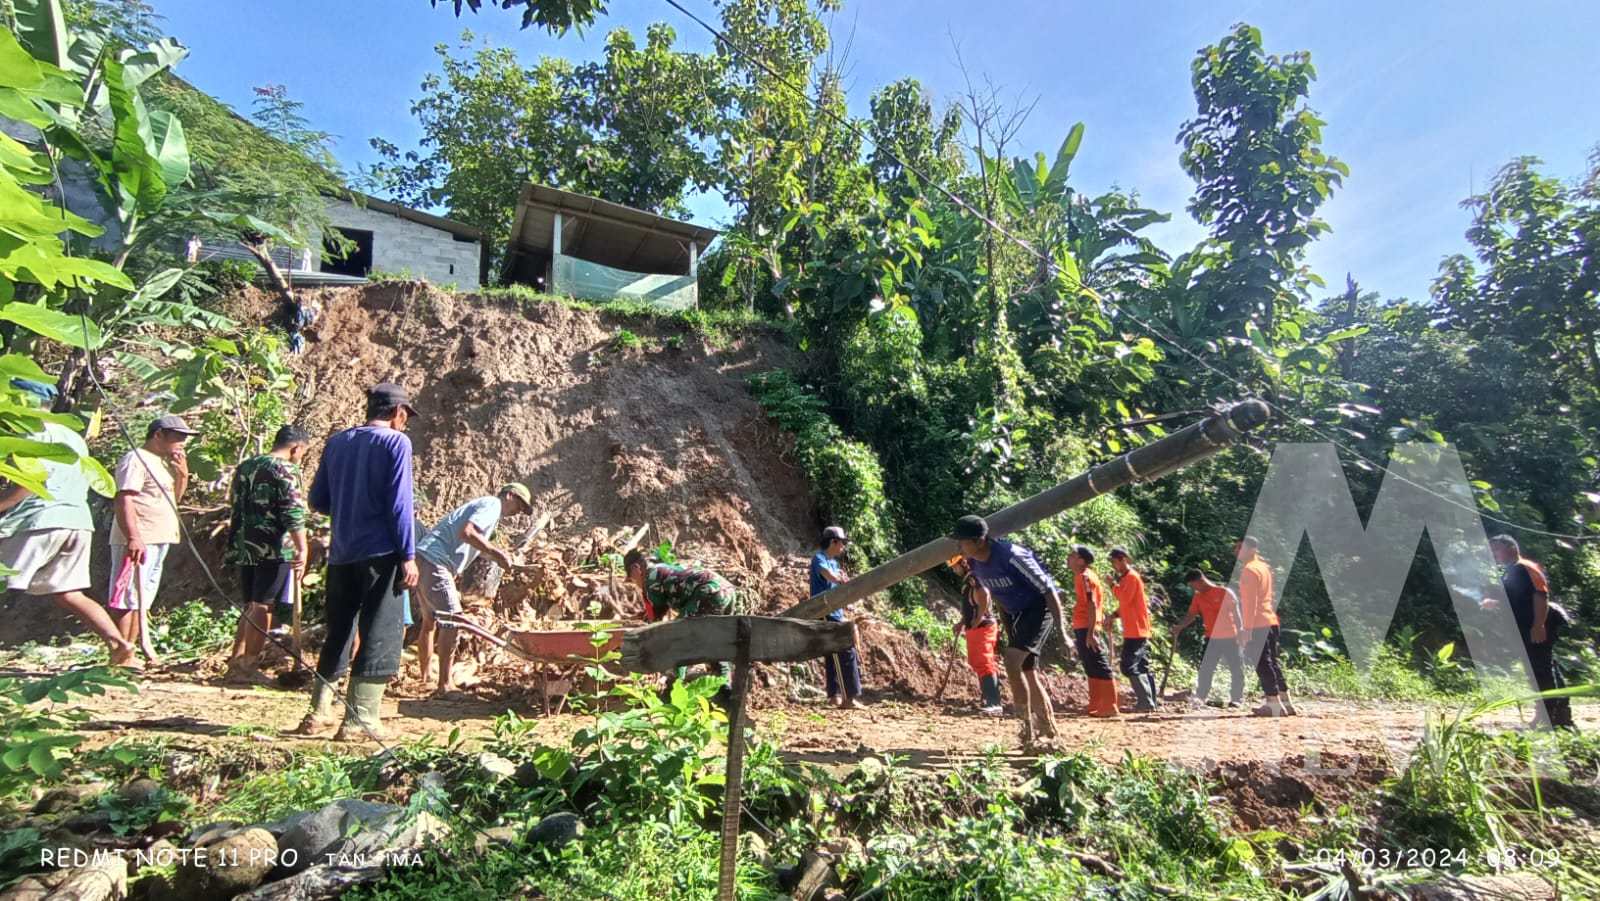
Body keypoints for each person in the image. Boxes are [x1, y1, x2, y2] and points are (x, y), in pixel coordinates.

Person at [295, 383, 420, 741]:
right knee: (381, 630)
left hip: (342, 553)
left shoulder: (337, 442)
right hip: (381, 553)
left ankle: (317, 713)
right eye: (405, 417)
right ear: (397, 413)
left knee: (340, 631)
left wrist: (351, 507)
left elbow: (318, 499)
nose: (405, 424)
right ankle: (360, 719)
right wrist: (408, 556)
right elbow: (399, 506)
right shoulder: (397, 443)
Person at [0, 380, 136, 667]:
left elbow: (32, 480)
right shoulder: (72, 437)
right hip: (77, 521)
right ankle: (119, 644)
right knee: (68, 592)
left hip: (39, 521)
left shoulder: (32, 434)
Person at [954, 514, 1065, 749]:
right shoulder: (974, 563)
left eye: (963, 542)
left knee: (1012, 661)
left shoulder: (1012, 556)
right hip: (1015, 614)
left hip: (1037, 608)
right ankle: (1048, 730)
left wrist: (1062, 632)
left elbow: (1048, 590)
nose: (960, 547)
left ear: (979, 541)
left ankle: (1026, 728)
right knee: (1028, 671)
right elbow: (997, 596)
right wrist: (1007, 627)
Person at [413, 483, 535, 696]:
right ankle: (444, 685)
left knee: (430, 621)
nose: (518, 512)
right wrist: (498, 554)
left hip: (425, 557)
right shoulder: (492, 505)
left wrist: (503, 558)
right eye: (520, 505)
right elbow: (467, 532)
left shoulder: (487, 510)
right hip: (436, 561)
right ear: (510, 495)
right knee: (454, 621)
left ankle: (425, 678)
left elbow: (474, 546)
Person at [108, 414, 197, 663]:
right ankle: (121, 656)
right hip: (139, 538)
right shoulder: (136, 460)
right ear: (158, 435)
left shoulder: (162, 463)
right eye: (178, 437)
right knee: (127, 596)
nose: (182, 443)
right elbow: (124, 497)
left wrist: (182, 475)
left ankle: (131, 651)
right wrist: (133, 537)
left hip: (159, 537)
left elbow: (172, 502)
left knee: (142, 597)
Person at [224, 425, 311, 678]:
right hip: (273, 547)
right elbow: (293, 512)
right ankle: (249, 665)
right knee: (264, 606)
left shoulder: (247, 466)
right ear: (296, 447)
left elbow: (235, 502)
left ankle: (236, 660)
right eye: (302, 452)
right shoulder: (286, 469)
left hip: (245, 543)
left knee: (251, 604)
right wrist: (302, 548)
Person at [1483, 535, 1574, 730]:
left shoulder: (1525, 567)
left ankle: (1547, 718)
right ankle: (1561, 715)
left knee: (1540, 671)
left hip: (1539, 626)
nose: (1494, 554)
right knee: (1546, 668)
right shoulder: (1510, 571)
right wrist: (1495, 603)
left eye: (1496, 550)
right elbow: (1518, 600)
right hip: (1527, 627)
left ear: (1511, 548)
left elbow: (1541, 594)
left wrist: (1539, 625)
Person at [1237, 536, 1295, 717]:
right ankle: (1286, 702)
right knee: (1273, 662)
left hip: (1257, 622)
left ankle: (1273, 703)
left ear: (1252, 549)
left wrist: (1246, 628)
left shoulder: (1249, 570)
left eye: (1240, 548)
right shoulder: (1264, 567)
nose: (1236, 552)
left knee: (1262, 662)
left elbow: (1249, 602)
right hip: (1270, 620)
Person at [810, 526, 866, 709]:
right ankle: (850, 698)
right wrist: (840, 579)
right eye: (842, 543)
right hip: (825, 612)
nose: (843, 547)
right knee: (845, 649)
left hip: (835, 612)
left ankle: (834, 696)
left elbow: (838, 580)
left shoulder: (834, 563)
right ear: (833, 542)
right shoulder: (819, 558)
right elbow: (828, 575)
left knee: (831, 654)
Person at [1174, 569, 1247, 708]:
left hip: (1230, 636)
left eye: (1193, 585)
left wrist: (1241, 630)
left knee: (1236, 668)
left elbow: (1236, 613)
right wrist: (1179, 627)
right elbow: (1191, 614)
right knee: (1206, 668)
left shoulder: (1224, 592)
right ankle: (1201, 697)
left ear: (1201, 581)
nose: (1193, 588)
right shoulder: (1198, 597)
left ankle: (1237, 698)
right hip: (1211, 637)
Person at [1068, 546, 1120, 717]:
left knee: (1099, 663)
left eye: (1073, 556)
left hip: (1088, 626)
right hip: (1083, 625)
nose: (1069, 558)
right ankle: (1096, 703)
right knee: (1090, 664)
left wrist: (1091, 633)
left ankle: (1110, 705)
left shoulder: (1085, 577)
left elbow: (1092, 605)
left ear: (1081, 561)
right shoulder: (1081, 577)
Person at [948, 555, 1003, 716]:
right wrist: (962, 622)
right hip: (975, 627)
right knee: (977, 662)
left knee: (984, 661)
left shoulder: (974, 576)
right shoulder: (969, 579)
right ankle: (987, 699)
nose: (954, 569)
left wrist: (979, 617)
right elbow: (970, 604)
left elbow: (984, 594)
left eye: (954, 566)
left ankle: (994, 703)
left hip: (982, 627)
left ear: (963, 563)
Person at [1107, 547, 1159, 711]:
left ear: (1123, 559)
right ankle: (1150, 703)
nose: (1114, 566)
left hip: (1137, 631)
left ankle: (1146, 703)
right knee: (1142, 666)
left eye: (1114, 562)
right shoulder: (1127, 579)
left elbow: (1124, 598)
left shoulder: (1131, 578)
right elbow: (1126, 605)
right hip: (1135, 629)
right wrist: (1113, 615)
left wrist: (1112, 585)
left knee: (1128, 666)